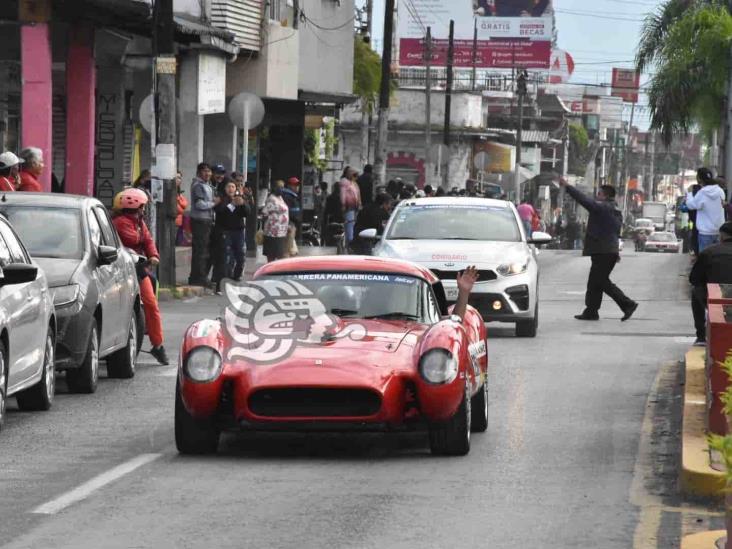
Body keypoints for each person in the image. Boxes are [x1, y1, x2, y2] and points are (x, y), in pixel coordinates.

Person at [559, 177, 638, 321]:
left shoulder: (603, 207)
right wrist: (615, 250)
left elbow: (584, 200)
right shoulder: (615, 210)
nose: (597, 197)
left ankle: (628, 304)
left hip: (603, 252)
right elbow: (614, 231)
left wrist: (568, 187)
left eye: (600, 194)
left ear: (606, 196)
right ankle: (591, 311)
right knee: (594, 282)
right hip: (607, 251)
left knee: (601, 282)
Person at [111, 188, 169, 365]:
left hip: (139, 267)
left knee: (151, 304)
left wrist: (154, 255)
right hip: (123, 269)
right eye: (142, 207)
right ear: (134, 206)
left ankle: (158, 345)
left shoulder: (139, 222)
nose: (144, 210)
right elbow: (137, 240)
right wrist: (146, 249)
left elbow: (148, 240)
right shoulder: (120, 222)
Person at [689, 221, 732, 345]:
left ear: (722, 236)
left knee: (695, 291)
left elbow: (694, 279)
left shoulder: (709, 252)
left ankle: (701, 336)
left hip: (717, 300)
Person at [212, 181, 250, 293]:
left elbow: (247, 213)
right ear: (225, 188)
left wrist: (242, 203)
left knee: (240, 257)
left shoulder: (240, 198)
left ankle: (235, 278)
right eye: (228, 186)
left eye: (233, 187)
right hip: (225, 231)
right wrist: (232, 204)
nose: (231, 189)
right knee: (226, 259)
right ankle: (221, 285)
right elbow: (220, 210)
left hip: (238, 232)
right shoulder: (222, 199)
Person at [188, 162, 218, 286]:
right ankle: (198, 278)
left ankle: (198, 276)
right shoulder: (198, 186)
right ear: (199, 172)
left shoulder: (207, 185)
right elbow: (199, 204)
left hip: (206, 220)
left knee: (203, 250)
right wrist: (214, 203)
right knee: (200, 250)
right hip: (200, 221)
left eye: (209, 171)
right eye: (205, 171)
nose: (208, 174)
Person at [685, 167, 726, 252]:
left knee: (705, 260)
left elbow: (691, 205)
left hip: (705, 233)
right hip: (719, 231)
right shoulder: (720, 191)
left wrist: (689, 193)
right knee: (717, 258)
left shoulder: (702, 193)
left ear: (699, 179)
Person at [263, 180, 290, 262]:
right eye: (279, 187)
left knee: (281, 254)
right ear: (274, 188)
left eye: (282, 187)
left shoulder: (280, 198)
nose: (281, 189)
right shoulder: (271, 198)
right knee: (272, 254)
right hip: (273, 232)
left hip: (281, 232)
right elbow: (265, 212)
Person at [339, 166, 362, 245]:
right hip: (349, 207)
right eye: (351, 172)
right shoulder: (344, 182)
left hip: (355, 208)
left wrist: (359, 204)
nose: (353, 174)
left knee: (353, 225)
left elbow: (358, 195)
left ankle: (350, 243)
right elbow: (343, 194)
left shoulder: (354, 183)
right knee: (349, 226)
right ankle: (350, 243)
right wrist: (343, 204)